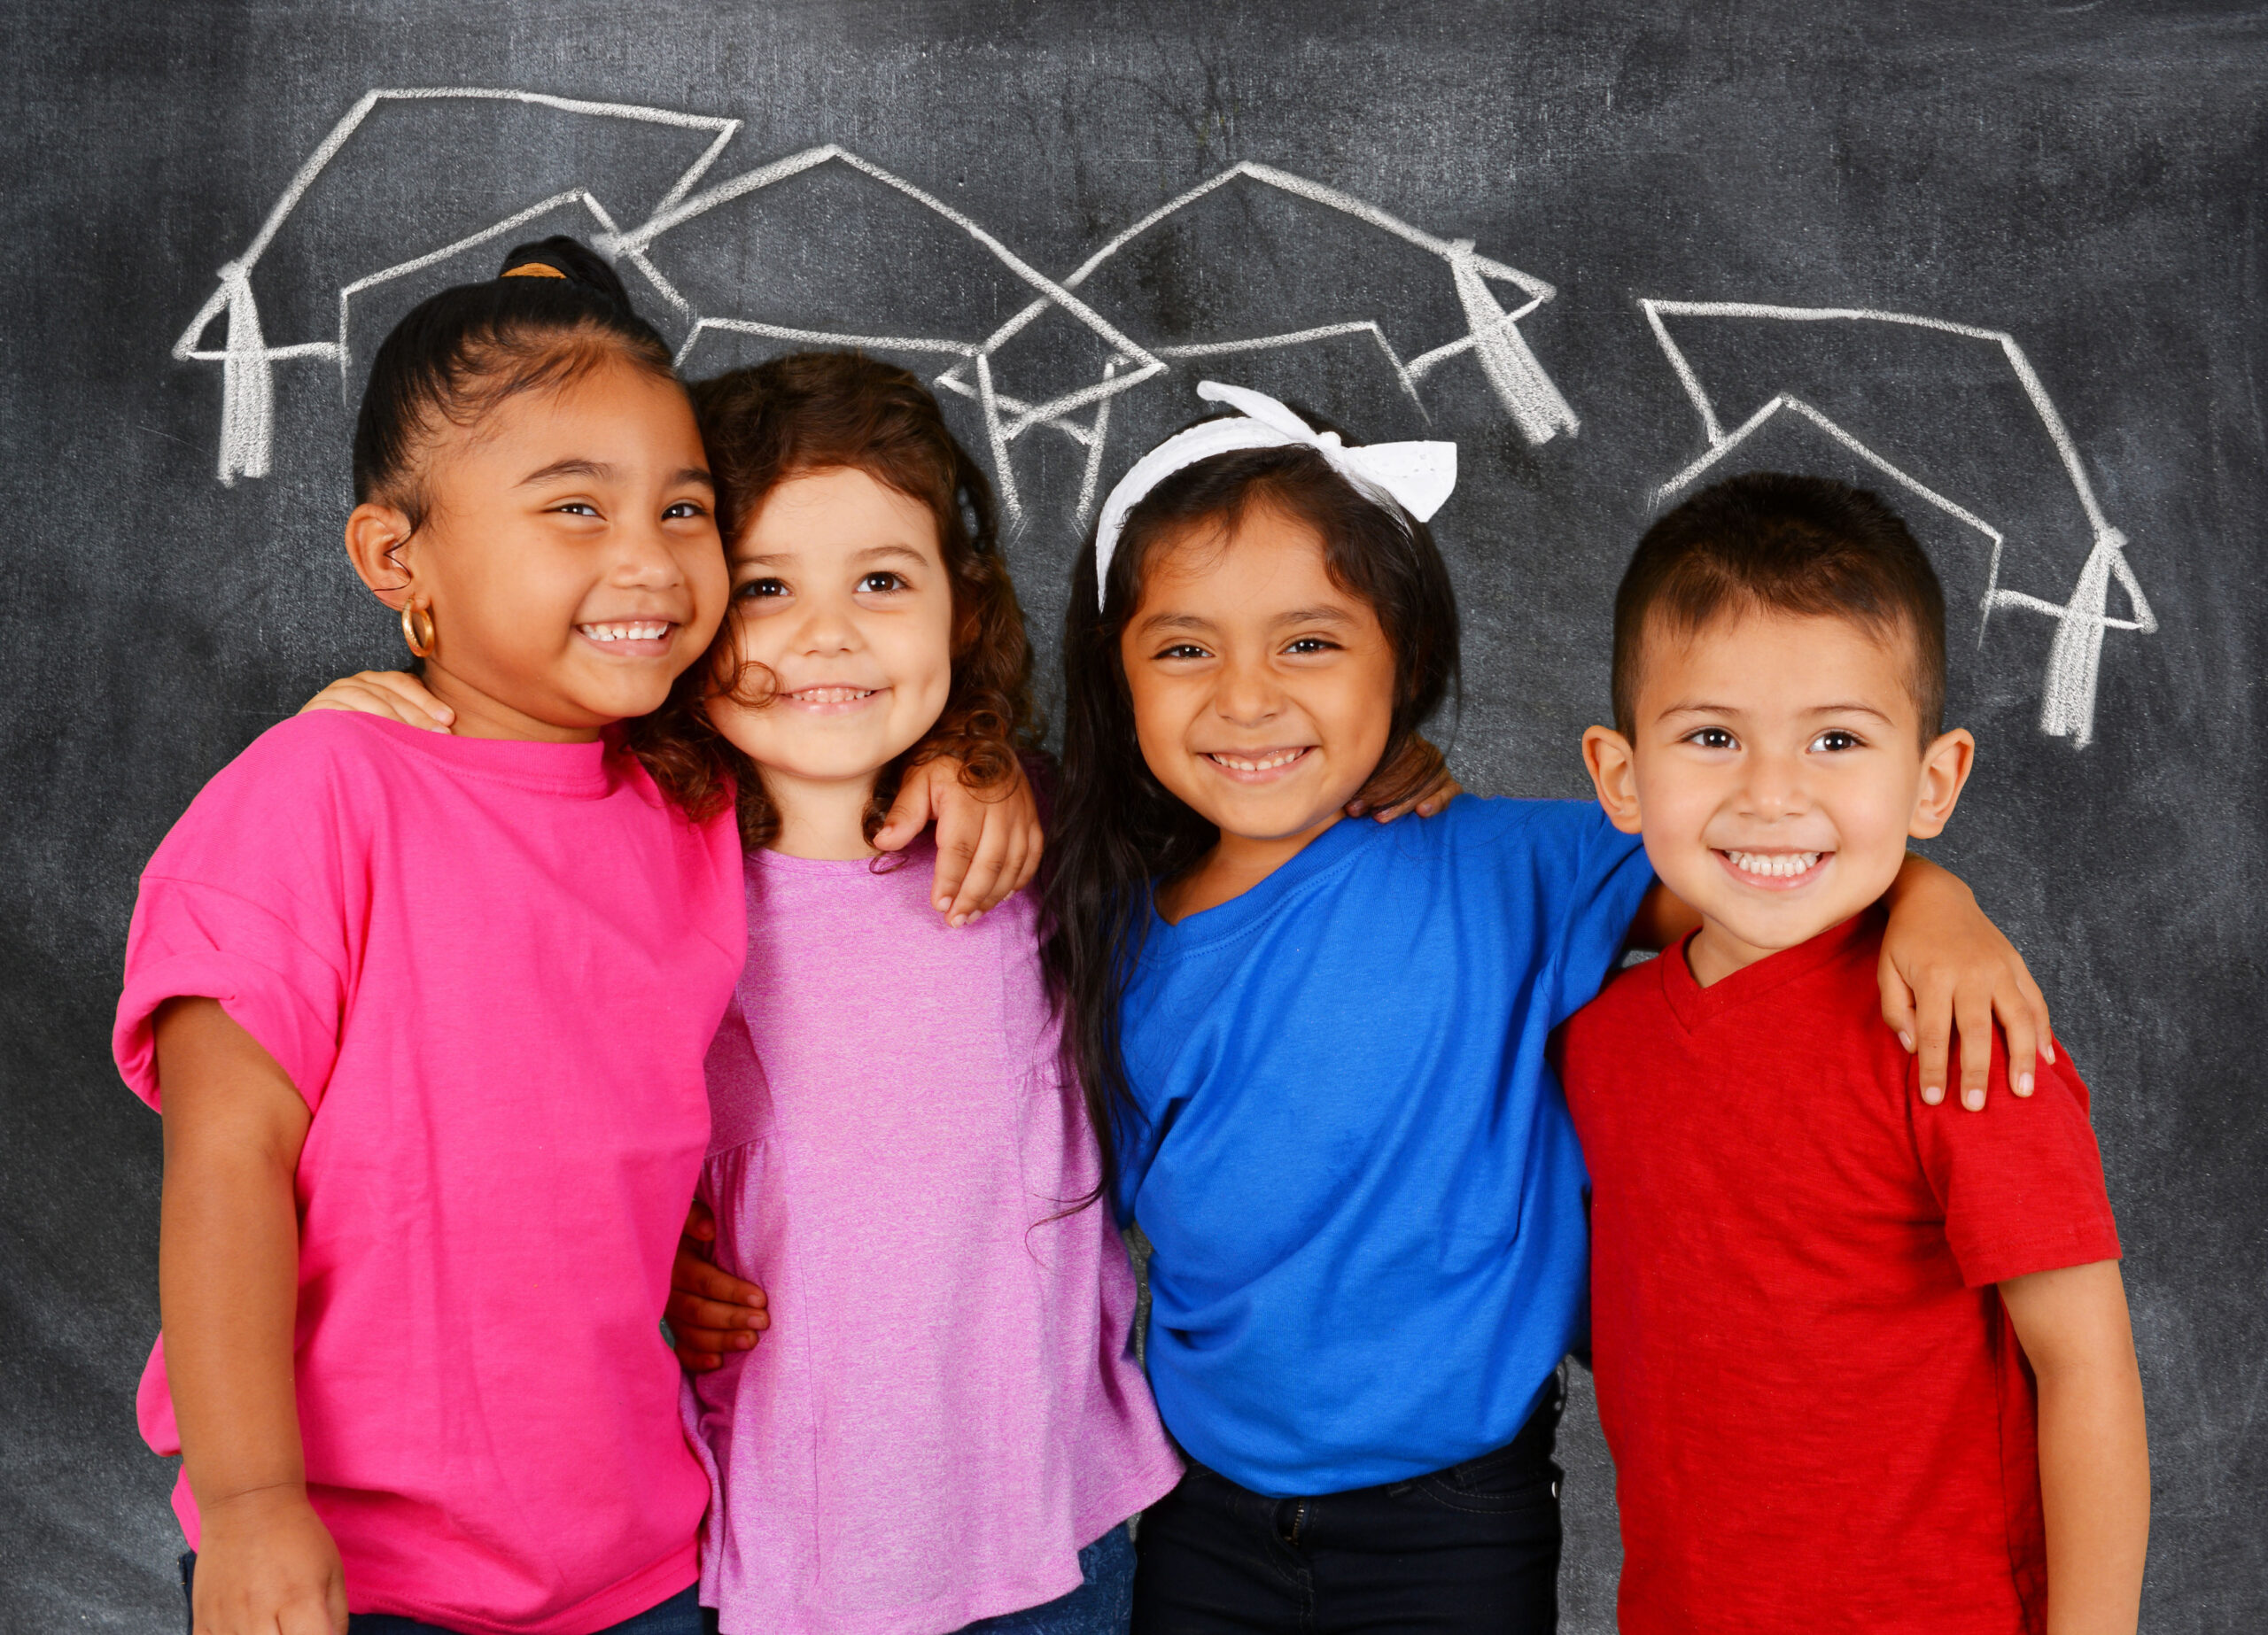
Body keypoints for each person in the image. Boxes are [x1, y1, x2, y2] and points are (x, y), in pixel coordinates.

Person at [1036, 383, 2057, 1634]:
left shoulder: (1515, 869)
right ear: (1117, 672)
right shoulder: (1107, 930)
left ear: (1401, 658)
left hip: (1455, 1522)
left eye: (1310, 641)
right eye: (1185, 647)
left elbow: (1762, 867)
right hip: (1204, 1517)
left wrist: (1935, 896)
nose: (1247, 697)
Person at [120, 244, 1033, 1635]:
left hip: (637, 1559)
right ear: (394, 557)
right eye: (573, 507)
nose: (648, 560)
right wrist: (251, 1503)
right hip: (352, 1562)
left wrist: (985, 758)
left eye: (683, 509)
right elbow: (226, 1163)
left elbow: (581, 1122)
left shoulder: (683, 806)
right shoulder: (319, 792)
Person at [632, 352, 1184, 1634]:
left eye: (883, 580)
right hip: (794, 1541)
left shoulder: (1033, 823)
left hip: (1058, 1519)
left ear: (962, 613)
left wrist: (983, 755)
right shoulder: (645, 863)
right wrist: (651, 1262)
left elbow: (1258, 808)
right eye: (767, 587)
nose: (828, 633)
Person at [1559, 472, 2148, 1634]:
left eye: (1837, 738)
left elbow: (2085, 1368)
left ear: (1931, 780)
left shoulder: (1967, 1036)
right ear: (1621, 777)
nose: (1773, 793)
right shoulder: (1600, 1046)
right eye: (1713, 735)